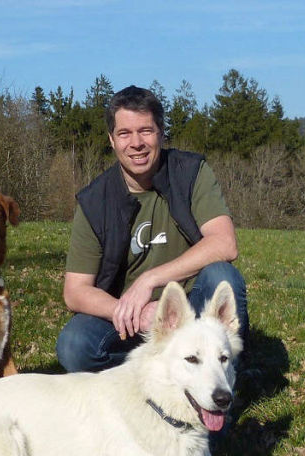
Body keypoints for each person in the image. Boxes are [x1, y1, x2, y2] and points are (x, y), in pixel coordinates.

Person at [56, 85, 248, 373]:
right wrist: (125, 309)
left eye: (146, 131)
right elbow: (75, 291)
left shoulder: (191, 172)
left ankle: (223, 381)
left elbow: (224, 243)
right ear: (112, 140)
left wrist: (149, 280)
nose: (136, 143)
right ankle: (149, 380)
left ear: (160, 132)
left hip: (191, 317)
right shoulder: (94, 200)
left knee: (223, 276)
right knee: (74, 345)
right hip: (129, 320)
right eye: (124, 133)